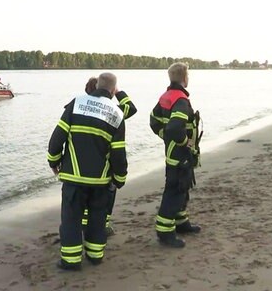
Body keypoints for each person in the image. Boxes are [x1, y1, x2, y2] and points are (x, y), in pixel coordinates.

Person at [48, 73, 128, 270]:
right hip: (100, 181)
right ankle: (95, 255)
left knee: (71, 219)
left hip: (73, 178)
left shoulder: (76, 104)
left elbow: (57, 137)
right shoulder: (117, 114)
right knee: (97, 218)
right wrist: (120, 178)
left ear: (97, 85)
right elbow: (118, 153)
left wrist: (54, 160)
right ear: (112, 90)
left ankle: (71, 260)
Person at [149, 62, 201, 248]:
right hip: (180, 156)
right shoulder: (180, 100)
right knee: (174, 191)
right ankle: (165, 232)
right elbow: (174, 127)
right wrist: (181, 142)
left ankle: (181, 223)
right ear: (185, 79)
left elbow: (154, 120)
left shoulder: (166, 96)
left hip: (174, 154)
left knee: (182, 190)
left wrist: (165, 137)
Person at [82, 77, 137, 236]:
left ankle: (84, 225)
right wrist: (118, 91)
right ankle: (102, 226)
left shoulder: (78, 107)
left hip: (80, 163)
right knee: (106, 196)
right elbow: (131, 108)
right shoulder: (112, 111)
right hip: (103, 165)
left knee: (84, 198)